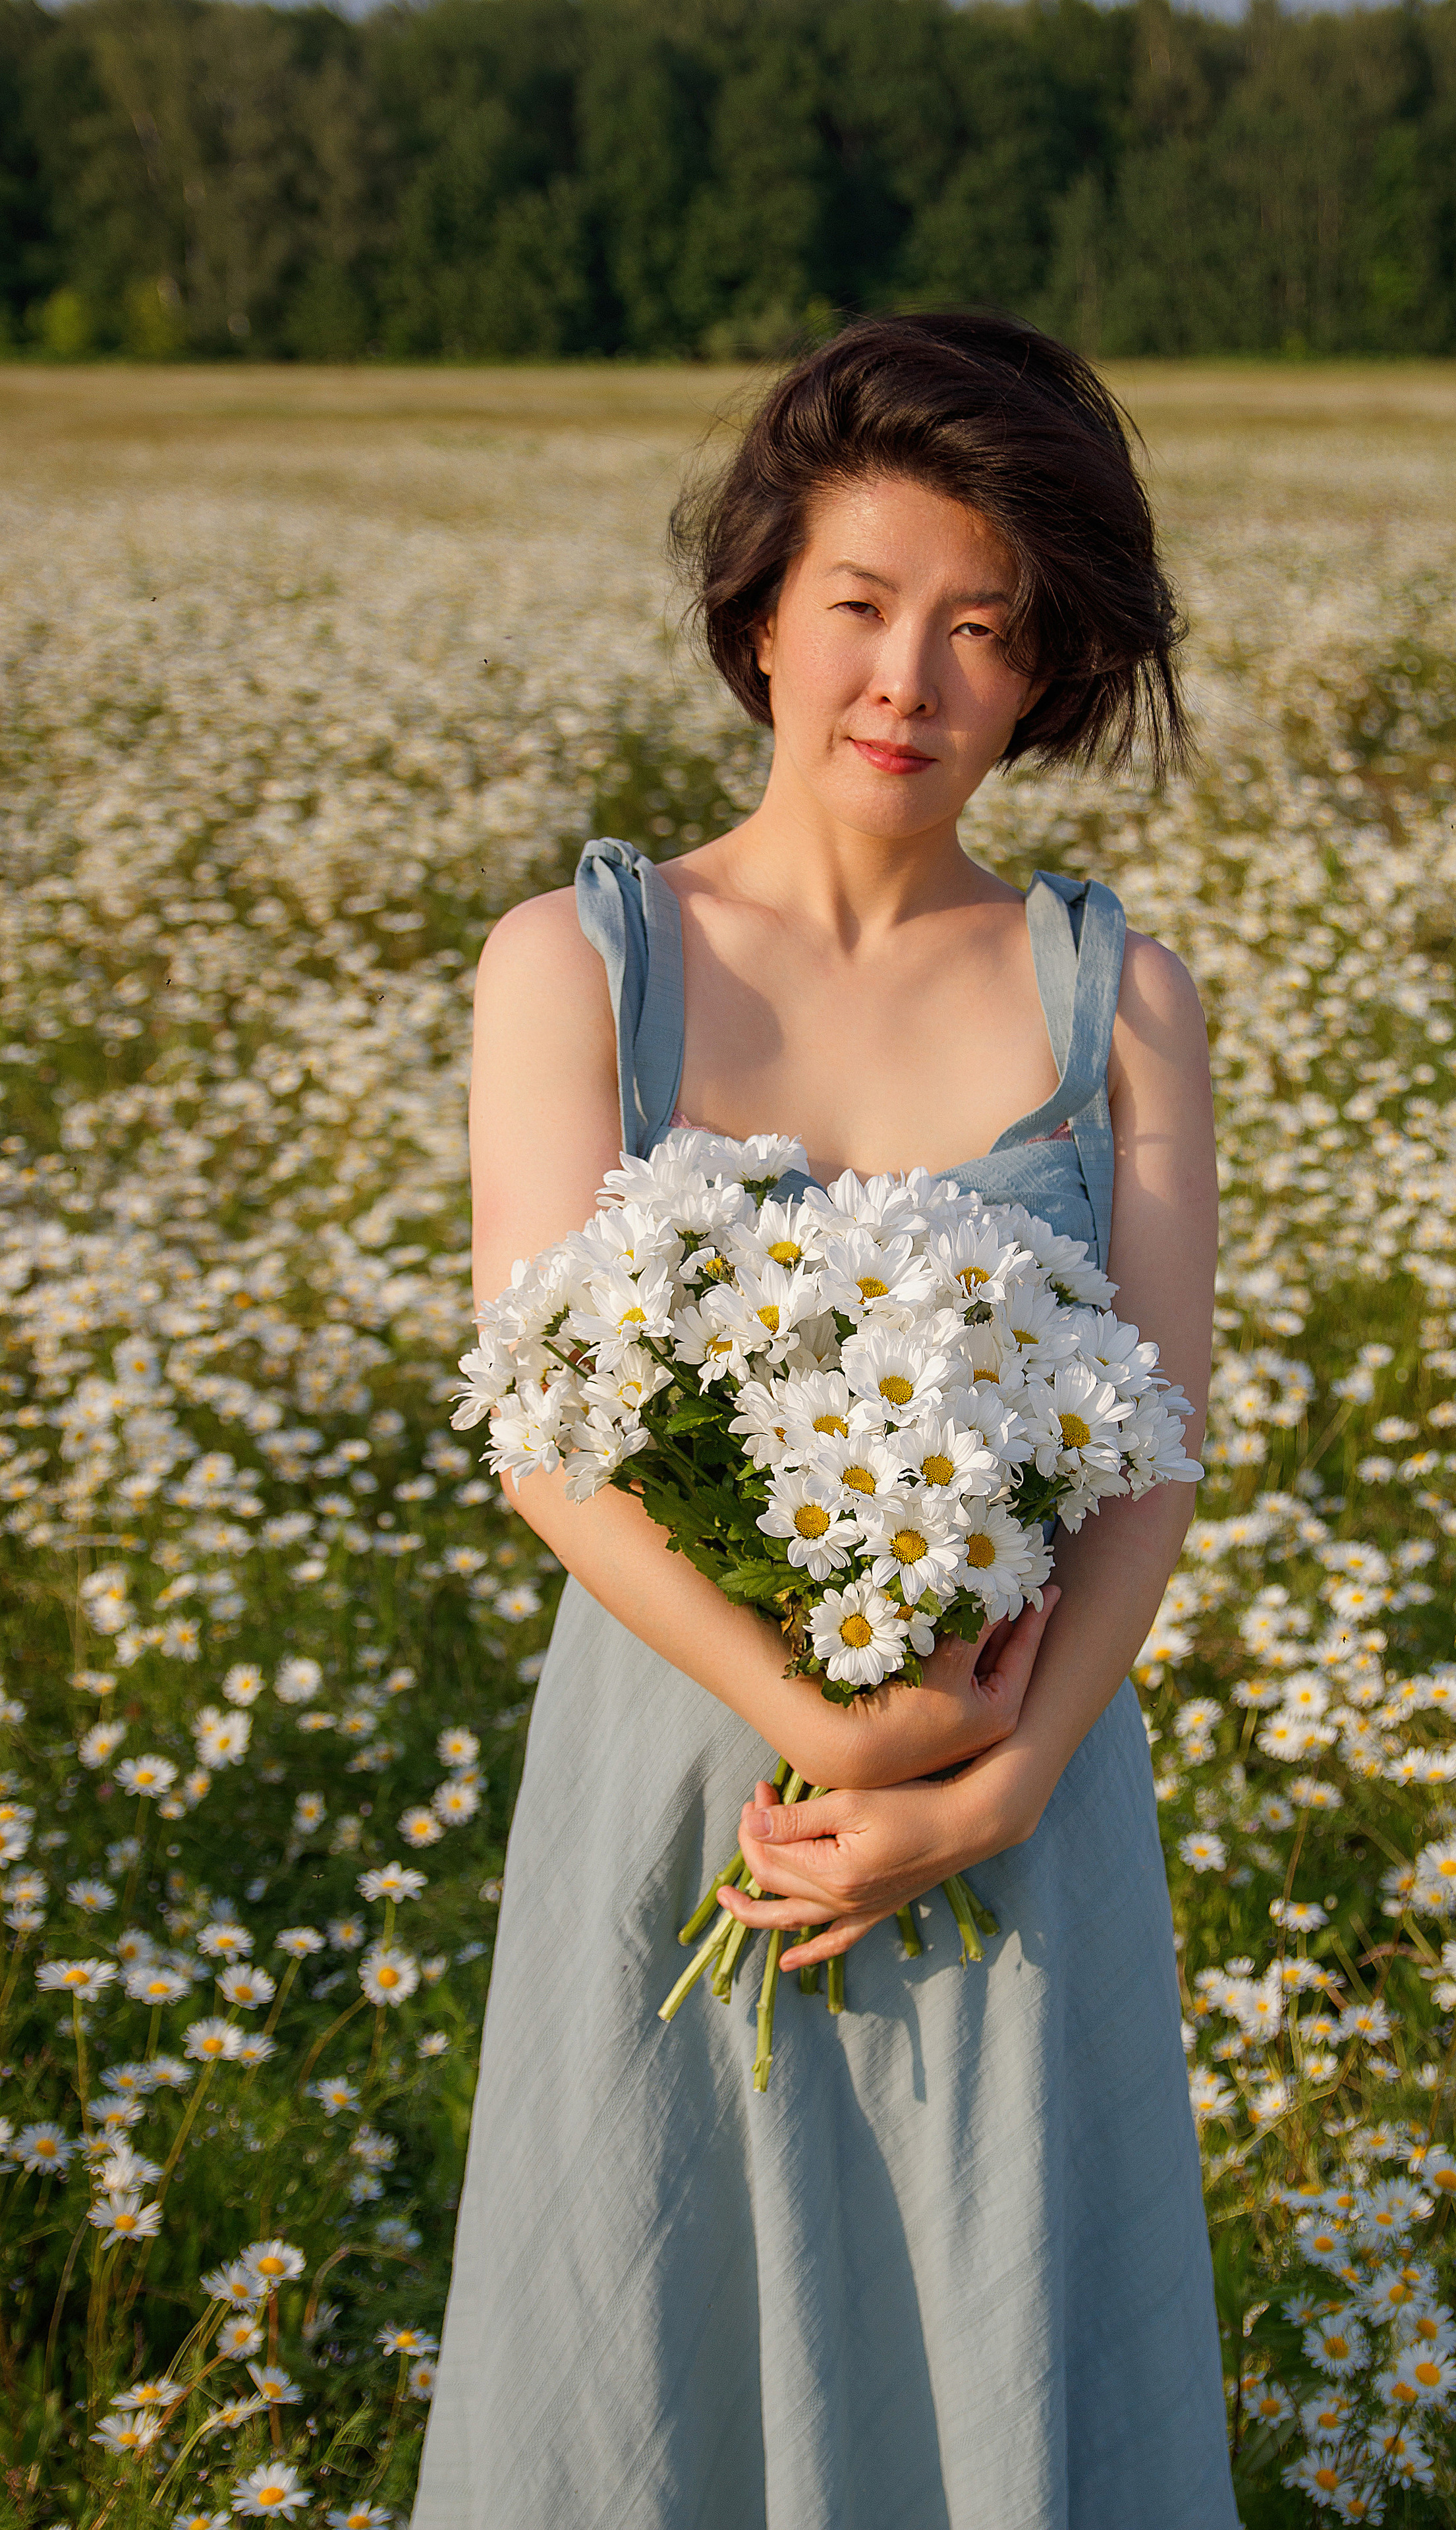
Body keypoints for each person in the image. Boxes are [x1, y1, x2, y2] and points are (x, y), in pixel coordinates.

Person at [412, 310, 1236, 2530]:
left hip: (1021, 1807)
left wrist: (995, 1785)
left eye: (985, 631)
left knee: (993, 2333)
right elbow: (547, 1438)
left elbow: (1152, 1450)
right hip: (688, 1780)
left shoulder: (1114, 992)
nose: (910, 682)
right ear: (757, 612)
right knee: (650, 2357)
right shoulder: (576, 963)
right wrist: (832, 1730)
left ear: (1048, 673)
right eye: (863, 607)